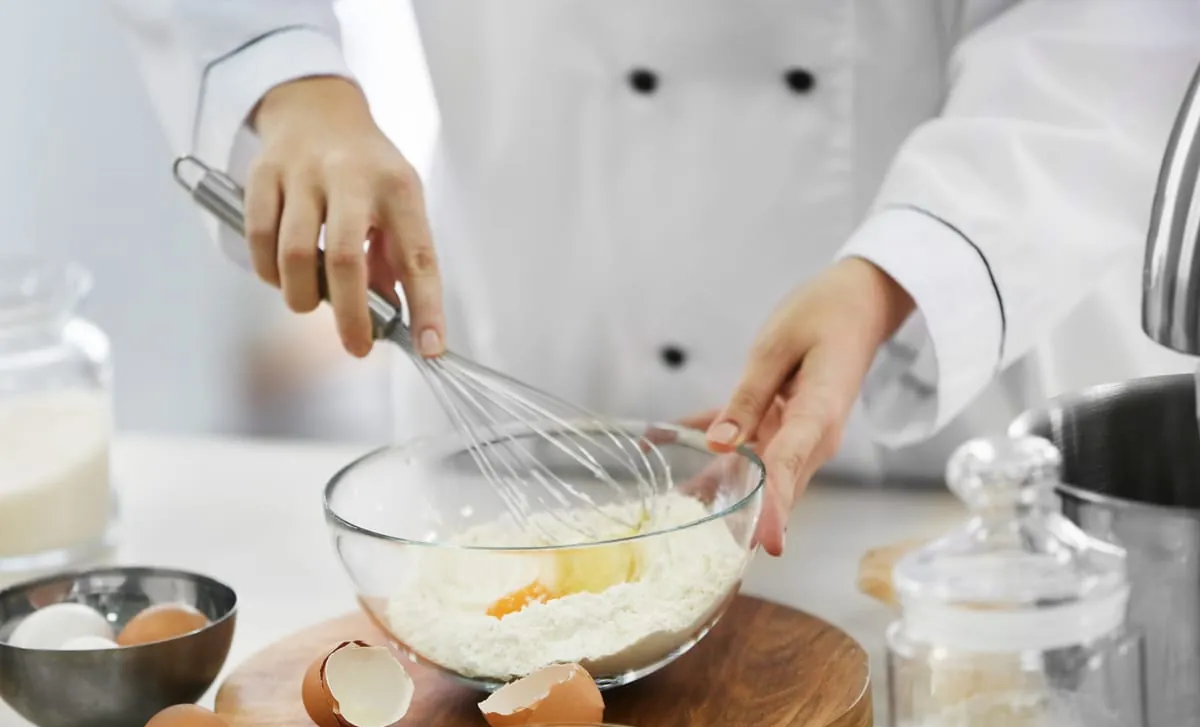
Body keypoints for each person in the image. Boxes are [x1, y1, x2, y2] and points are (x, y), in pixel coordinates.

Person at [108, 0, 1200, 554]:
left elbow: (1111, 25)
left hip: (949, 420)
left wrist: (903, 269)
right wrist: (288, 81)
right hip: (540, 390)